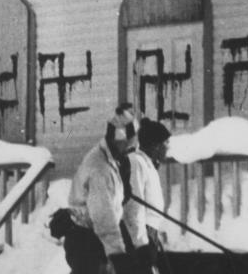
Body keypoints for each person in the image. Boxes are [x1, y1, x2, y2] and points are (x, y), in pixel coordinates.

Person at [65, 107, 136, 274]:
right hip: (86, 241)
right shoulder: (100, 168)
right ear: (119, 140)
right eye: (128, 144)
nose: (129, 150)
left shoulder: (110, 158)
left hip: (91, 237)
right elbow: (103, 215)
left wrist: (123, 186)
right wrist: (118, 254)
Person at [123, 118, 171, 274]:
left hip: (149, 233)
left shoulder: (148, 164)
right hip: (139, 236)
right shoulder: (137, 163)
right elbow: (133, 205)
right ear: (155, 145)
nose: (168, 147)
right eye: (166, 143)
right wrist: (141, 242)